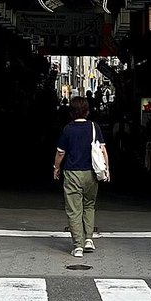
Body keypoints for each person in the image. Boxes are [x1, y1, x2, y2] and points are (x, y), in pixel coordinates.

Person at [52, 95, 105, 258]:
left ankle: (78, 246)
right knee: (89, 205)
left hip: (73, 173)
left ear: (71, 113)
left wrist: (56, 167)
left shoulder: (68, 129)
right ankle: (89, 239)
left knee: (74, 210)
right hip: (92, 174)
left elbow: (61, 152)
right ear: (87, 111)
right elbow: (102, 150)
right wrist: (107, 169)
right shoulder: (94, 127)